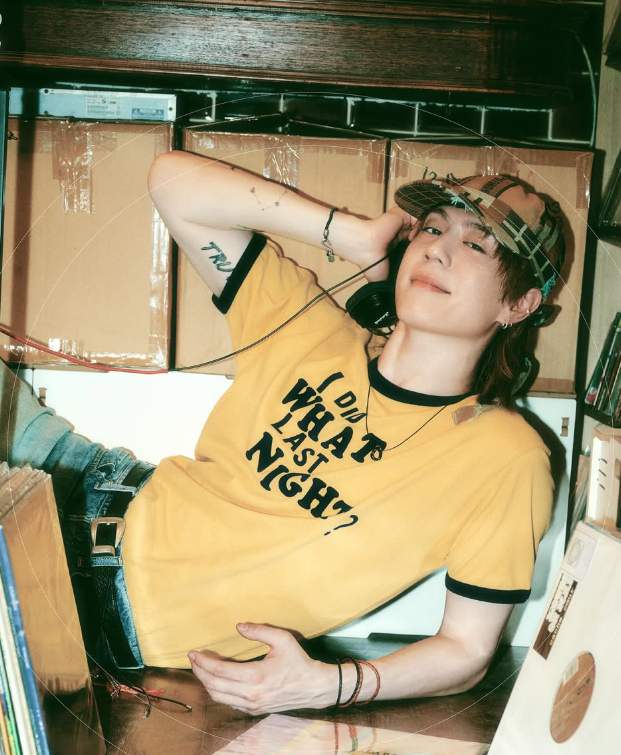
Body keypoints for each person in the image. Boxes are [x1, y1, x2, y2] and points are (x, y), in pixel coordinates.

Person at [0, 150, 566, 715]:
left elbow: (467, 650)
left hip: (77, 617)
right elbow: (172, 180)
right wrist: (352, 235)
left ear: (519, 303)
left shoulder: (505, 456)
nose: (437, 249)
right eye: (433, 228)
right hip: (68, 474)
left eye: (475, 244)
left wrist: (330, 684)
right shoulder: (310, 326)